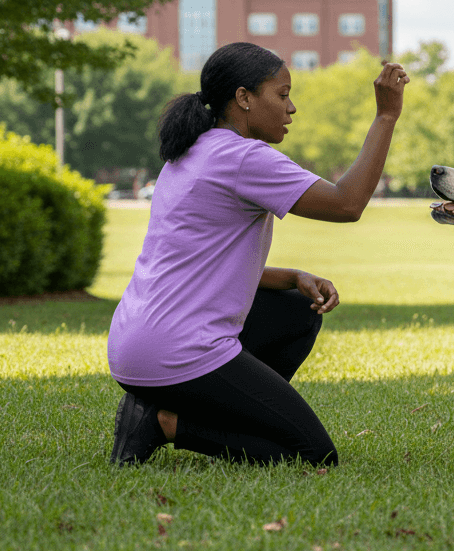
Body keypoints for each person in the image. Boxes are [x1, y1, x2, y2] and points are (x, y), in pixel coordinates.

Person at [107, 42, 409, 467]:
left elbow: (199, 262)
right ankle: (165, 423)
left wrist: (290, 277)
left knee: (297, 308)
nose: (291, 108)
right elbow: (347, 203)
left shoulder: (193, 150)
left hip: (133, 346)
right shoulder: (243, 157)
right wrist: (386, 116)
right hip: (175, 351)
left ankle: (200, 411)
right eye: (282, 95)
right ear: (244, 98)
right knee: (313, 456)